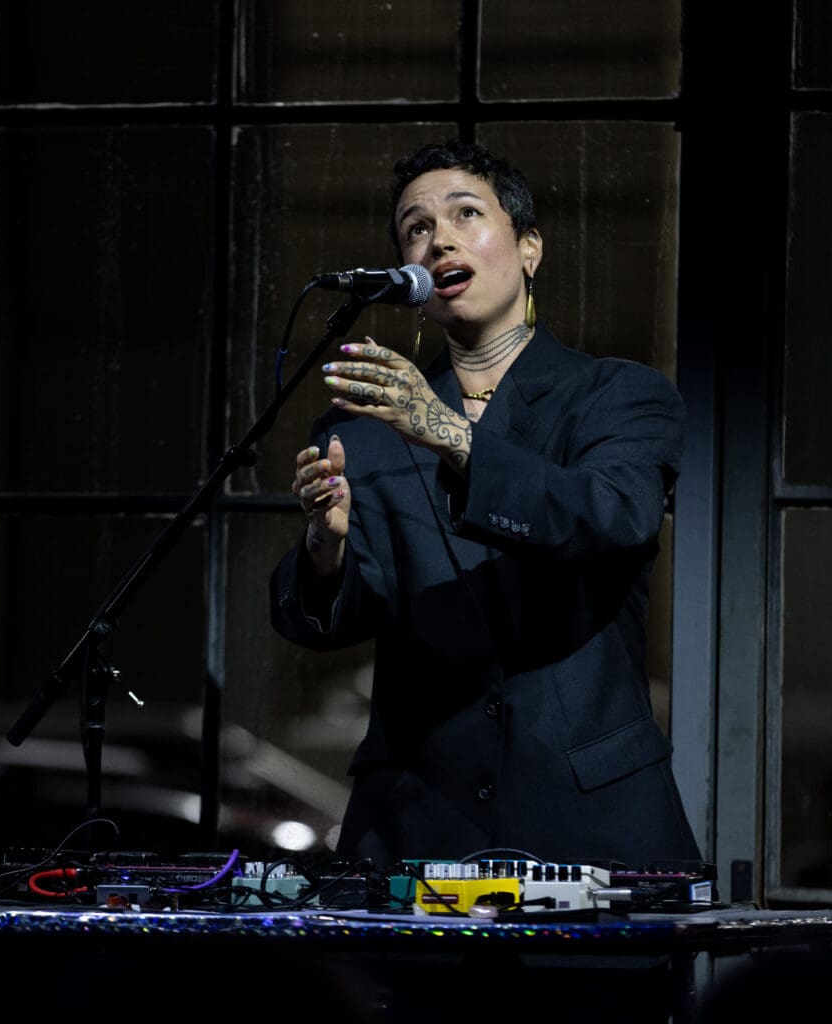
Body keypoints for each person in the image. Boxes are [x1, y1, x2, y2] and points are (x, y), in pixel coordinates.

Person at [269, 139, 702, 872]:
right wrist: (325, 545)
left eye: (465, 214)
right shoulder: (362, 432)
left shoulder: (617, 395)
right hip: (419, 811)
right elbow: (331, 617)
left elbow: (611, 515)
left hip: (585, 808)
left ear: (529, 249)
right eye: (416, 228)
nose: (438, 239)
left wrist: (443, 430)